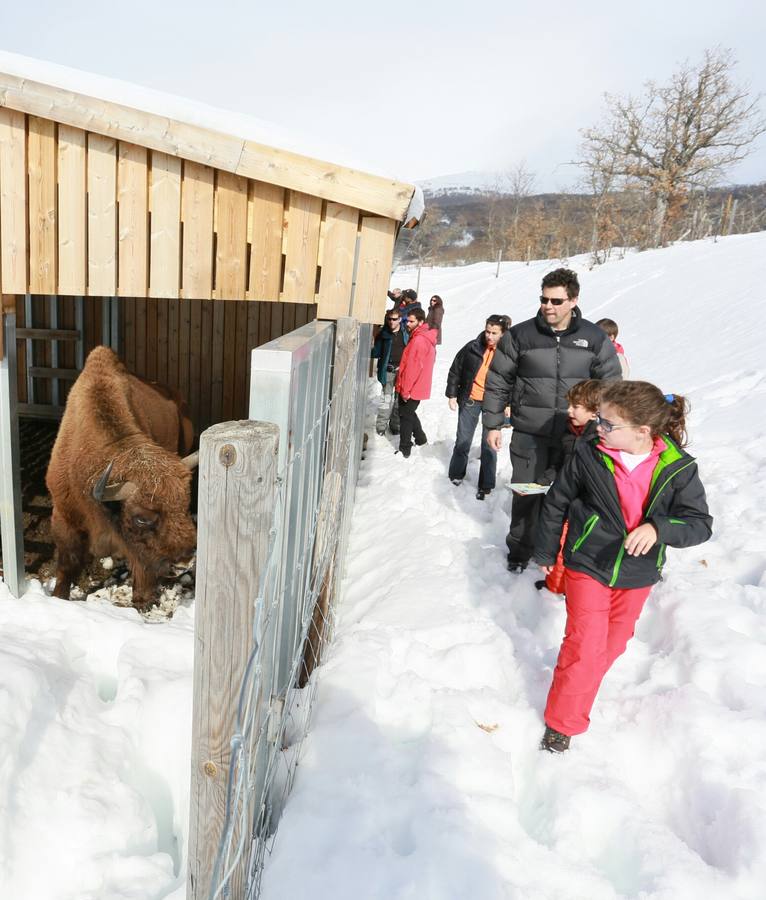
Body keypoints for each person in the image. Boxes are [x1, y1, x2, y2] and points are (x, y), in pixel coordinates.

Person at [533, 382, 713, 753]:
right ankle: (562, 724)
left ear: (642, 431)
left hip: (637, 574)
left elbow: (699, 523)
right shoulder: (589, 452)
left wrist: (659, 528)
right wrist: (547, 551)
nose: (598, 427)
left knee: (609, 646)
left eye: (608, 423)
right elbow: (556, 502)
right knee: (585, 646)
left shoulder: (677, 467)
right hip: (589, 563)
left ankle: (575, 684)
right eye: (599, 418)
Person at [483, 268, 622, 573]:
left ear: (573, 300)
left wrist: (606, 426)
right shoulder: (520, 335)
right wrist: (492, 424)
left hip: (576, 436)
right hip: (529, 433)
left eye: (556, 301)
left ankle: (561, 557)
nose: (548, 306)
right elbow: (498, 381)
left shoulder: (594, 338)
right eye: (544, 299)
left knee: (570, 497)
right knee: (527, 493)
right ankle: (520, 551)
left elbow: (611, 385)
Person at [535, 379, 602, 594]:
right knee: (561, 544)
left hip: (583, 505)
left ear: (594, 412)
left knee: (568, 546)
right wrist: (546, 478)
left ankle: (562, 589)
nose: (569, 410)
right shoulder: (569, 431)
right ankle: (555, 586)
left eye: (576, 406)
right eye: (569, 405)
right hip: (564, 497)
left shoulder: (599, 439)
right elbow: (560, 463)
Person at [445, 315, 509, 500]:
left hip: (494, 404)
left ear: (503, 333)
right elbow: (455, 370)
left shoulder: (508, 353)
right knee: (463, 440)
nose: (489, 336)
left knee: (489, 445)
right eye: (488, 331)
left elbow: (514, 380)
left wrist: (509, 404)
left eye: (494, 333)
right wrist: (452, 394)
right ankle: (456, 475)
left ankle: (486, 484)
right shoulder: (472, 347)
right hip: (471, 399)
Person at [395, 308, 437, 458]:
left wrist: (406, 390)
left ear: (420, 322)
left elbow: (412, 368)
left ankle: (404, 449)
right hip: (418, 385)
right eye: (407, 321)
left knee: (405, 416)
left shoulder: (419, 340)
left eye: (411, 321)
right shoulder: (423, 337)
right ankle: (420, 438)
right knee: (409, 412)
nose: (407, 324)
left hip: (412, 386)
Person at [371, 309, 409, 435]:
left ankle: (395, 425)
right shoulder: (383, 334)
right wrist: (370, 345)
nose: (391, 322)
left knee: (399, 401)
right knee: (386, 400)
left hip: (402, 373)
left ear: (400, 319)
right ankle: (381, 427)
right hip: (388, 371)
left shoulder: (406, 333)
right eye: (389, 319)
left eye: (394, 319)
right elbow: (375, 353)